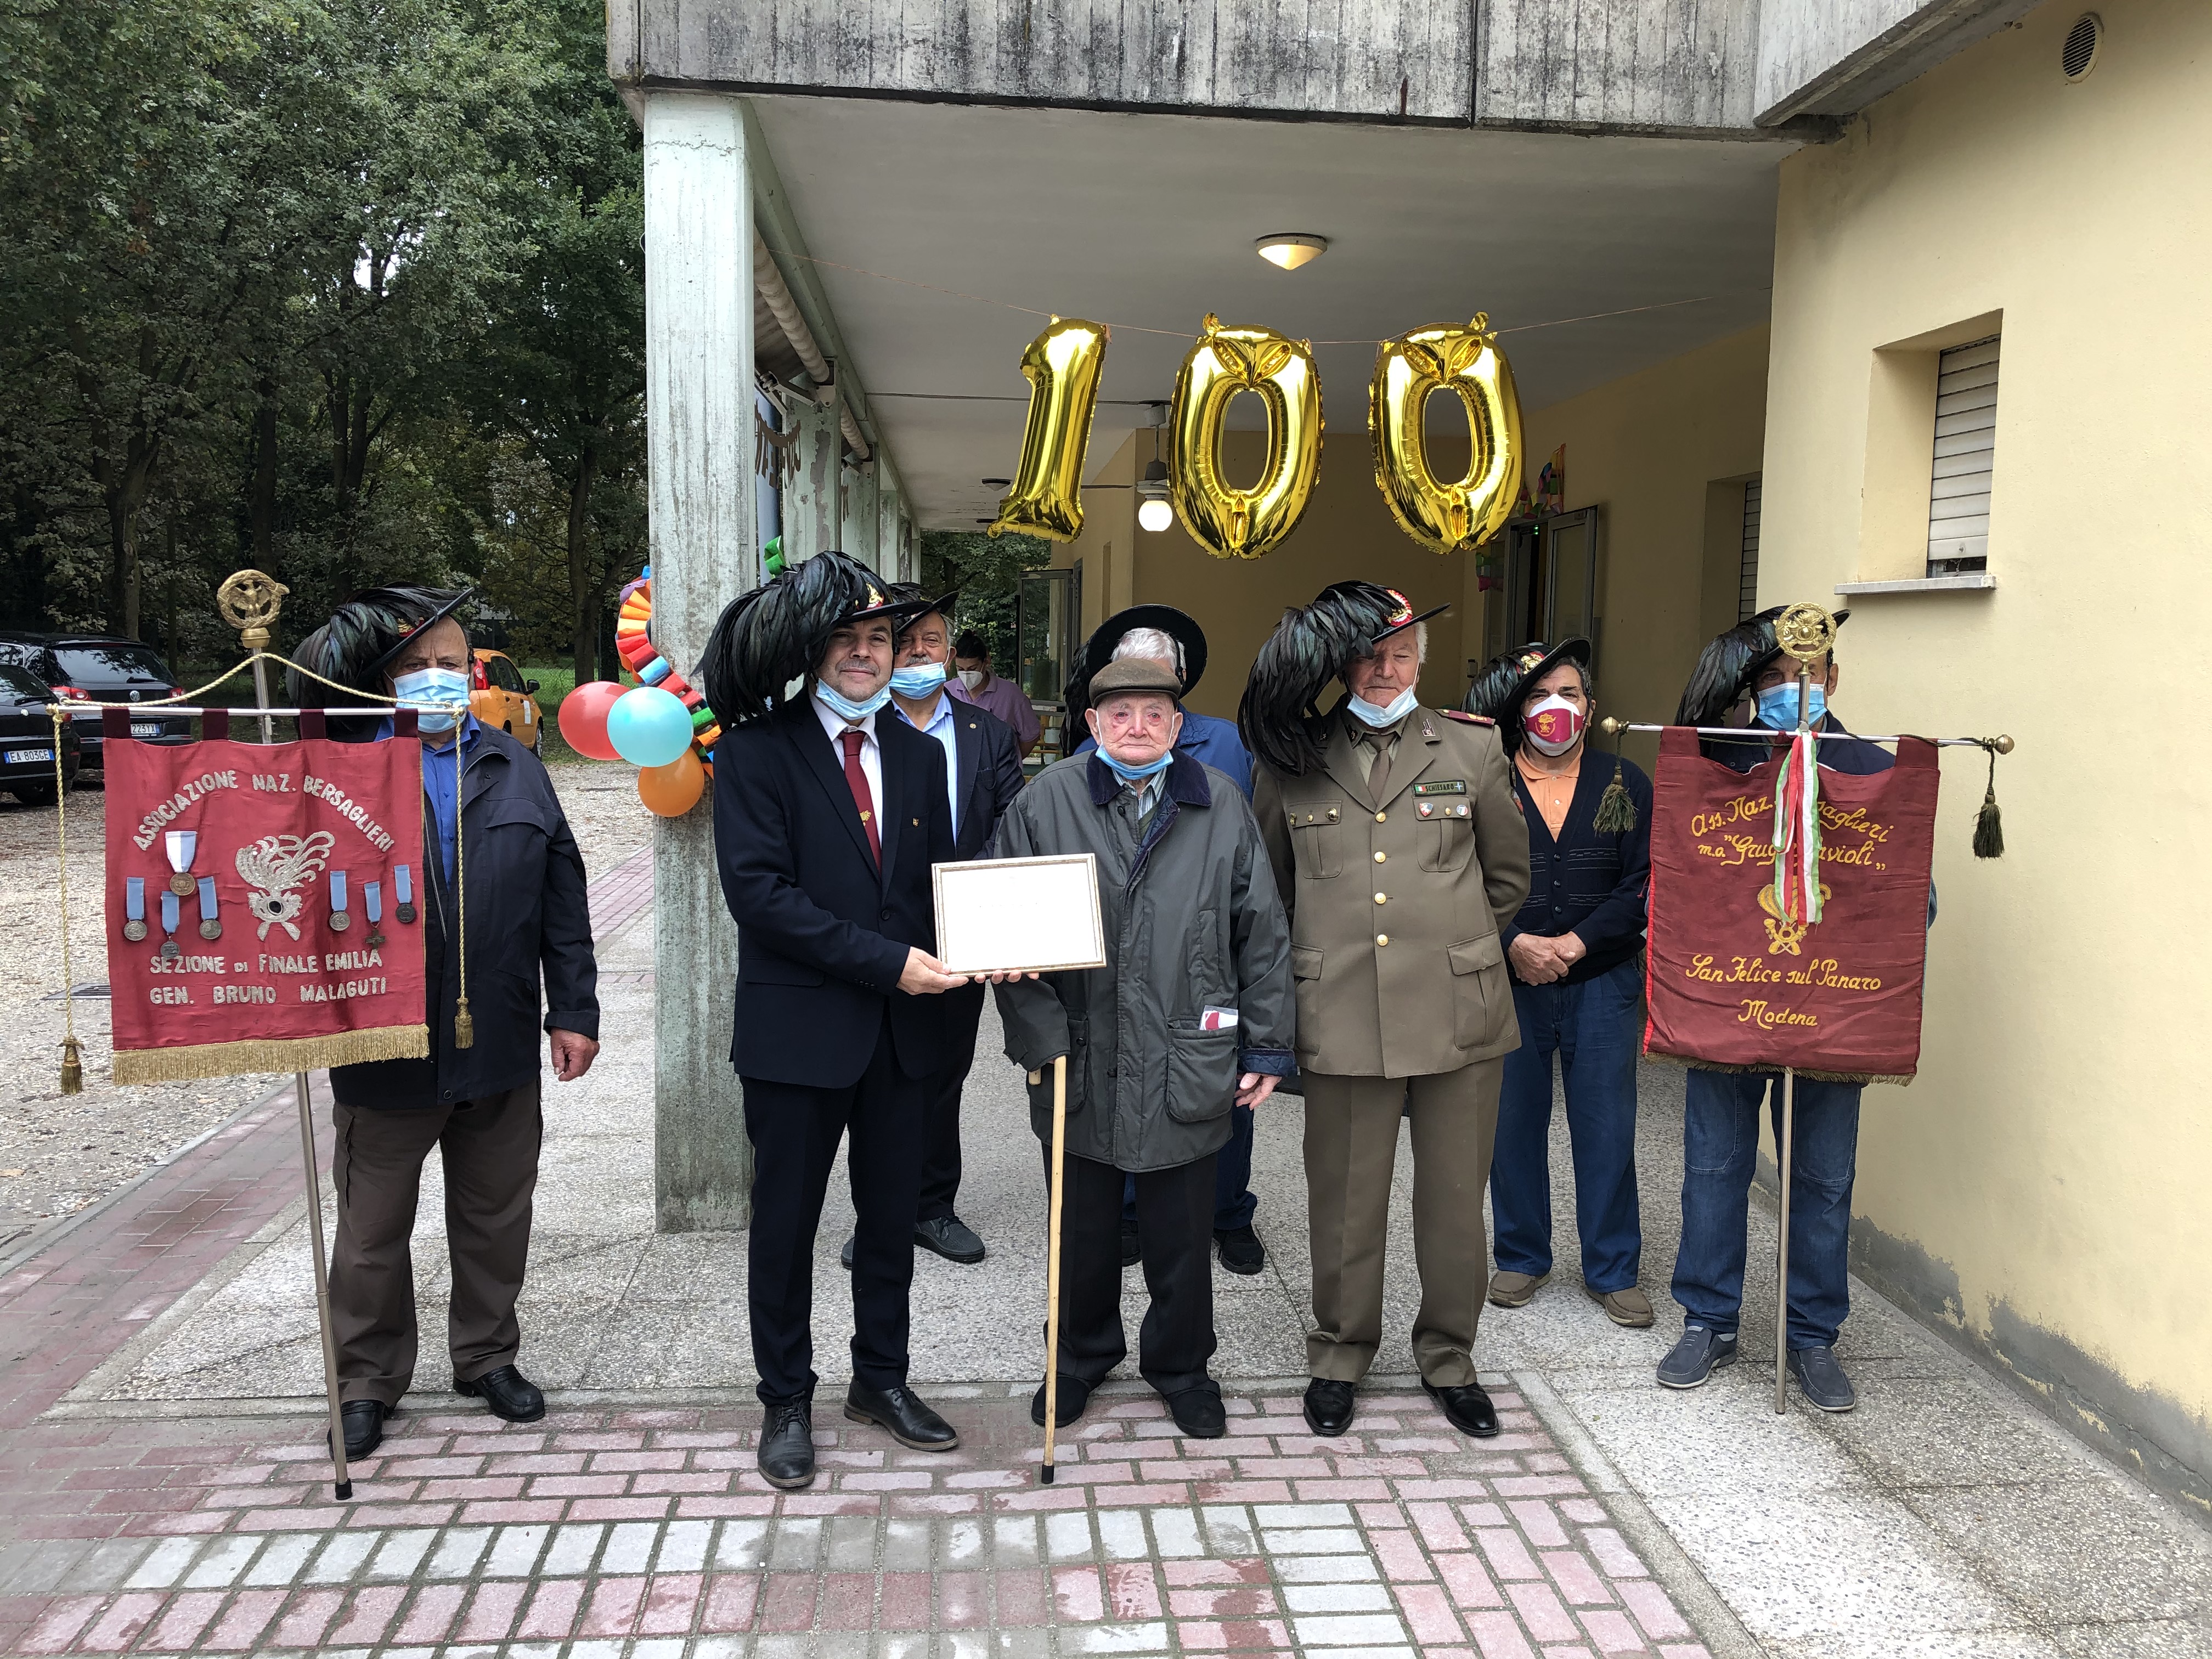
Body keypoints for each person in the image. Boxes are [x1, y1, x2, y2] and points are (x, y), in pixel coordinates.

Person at [290, 586, 601, 1460]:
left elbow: (564, 900)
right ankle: (365, 1379)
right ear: (381, 680)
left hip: (497, 1033)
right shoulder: (336, 773)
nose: (438, 678)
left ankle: (487, 1357)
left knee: (496, 1216)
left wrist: (574, 1011)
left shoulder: (515, 766)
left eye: (451, 664)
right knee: (371, 1233)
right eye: (417, 666)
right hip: (382, 1041)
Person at [702, 551, 970, 1489]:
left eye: (880, 638)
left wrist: (991, 941)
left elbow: (935, 886)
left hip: (904, 1038)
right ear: (813, 650)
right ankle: (785, 1397)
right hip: (798, 1038)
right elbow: (760, 896)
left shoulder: (918, 753)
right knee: (785, 1226)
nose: (865, 652)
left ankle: (880, 1380)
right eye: (847, 638)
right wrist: (889, 961)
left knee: (891, 1220)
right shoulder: (753, 751)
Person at [1244, 584, 1531, 1440]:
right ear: (1342, 666)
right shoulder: (1294, 755)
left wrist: (1447, 947)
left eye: (1401, 655)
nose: (1385, 670)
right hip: (1341, 1014)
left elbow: (1507, 879)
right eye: (1370, 657)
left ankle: (1450, 1358)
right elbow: (1271, 891)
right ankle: (1340, 1354)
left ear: (1420, 663)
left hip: (1458, 1014)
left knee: (1454, 1201)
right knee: (1345, 1201)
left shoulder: (1474, 747)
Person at [992, 657, 1294, 1437]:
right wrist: (1041, 1042)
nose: (1136, 727)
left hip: (1188, 1053)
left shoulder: (1220, 803)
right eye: (1119, 713)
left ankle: (1182, 1367)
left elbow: (1262, 933)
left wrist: (1266, 1048)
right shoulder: (1045, 801)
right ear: (1093, 724)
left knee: (1182, 1236)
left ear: (1176, 726)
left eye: (1153, 713)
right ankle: (1077, 1359)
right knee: (1081, 1233)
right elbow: (1002, 934)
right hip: (1079, 1053)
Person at [1660, 603, 1899, 1413]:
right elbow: (1680, 882)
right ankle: (1709, 1320)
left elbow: (1914, 902)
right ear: (1752, 687)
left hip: (1831, 1013)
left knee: (1823, 1180)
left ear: (1834, 677)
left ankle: (1812, 1336)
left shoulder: (1874, 771)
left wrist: (1863, 939)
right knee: (1715, 1167)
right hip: (1727, 1007)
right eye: (1773, 677)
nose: (1792, 687)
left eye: (1807, 674)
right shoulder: (1715, 765)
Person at [1066, 606, 1264, 1272]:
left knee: (1220, 1090)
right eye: (1125, 689)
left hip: (1204, 963)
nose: (1139, 712)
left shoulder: (1225, 744)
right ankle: (1130, 1213)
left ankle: (1230, 1212)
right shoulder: (1081, 765)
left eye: (1157, 687)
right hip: (1117, 964)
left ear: (1178, 688)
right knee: (1125, 1086)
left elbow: (1251, 864)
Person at [1464, 640, 1654, 1329]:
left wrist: (1576, 943)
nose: (1556, 707)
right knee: (1512, 1122)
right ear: (1518, 710)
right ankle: (1521, 1255)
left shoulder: (1625, 781)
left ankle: (1613, 1268)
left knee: (1607, 1126)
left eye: (1569, 694)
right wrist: (1513, 940)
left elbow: (1643, 882)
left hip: (1602, 980)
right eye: (1541, 695)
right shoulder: (1483, 780)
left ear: (1591, 708)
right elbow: (1458, 875)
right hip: (1508, 978)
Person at [836, 584, 1025, 1268]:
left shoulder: (987, 734)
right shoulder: (857, 730)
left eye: (932, 641)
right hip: (875, 933)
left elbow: (1011, 825)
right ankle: (878, 1214)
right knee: (876, 1076)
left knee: (945, 1072)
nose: (920, 652)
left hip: (960, 931)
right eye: (907, 641)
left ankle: (933, 1206)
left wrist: (978, 900)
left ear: (950, 652)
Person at [952, 630, 1042, 758]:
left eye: (973, 669)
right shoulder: (946, 692)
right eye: (961, 669)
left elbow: (1031, 736)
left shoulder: (1011, 694)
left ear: (986, 661)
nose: (966, 674)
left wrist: (1010, 762)